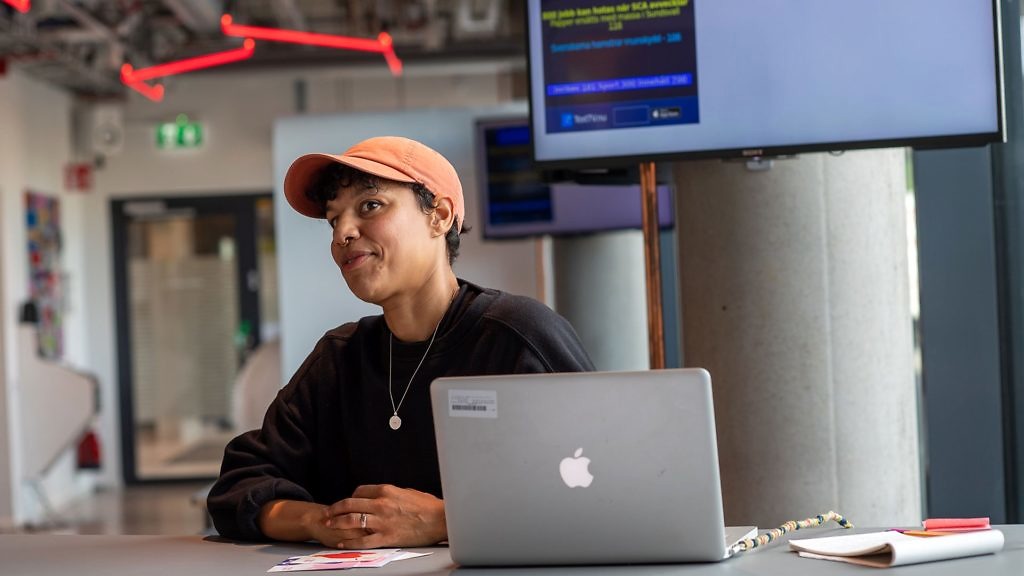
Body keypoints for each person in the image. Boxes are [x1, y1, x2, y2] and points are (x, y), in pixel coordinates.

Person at [208, 136, 594, 550]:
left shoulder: (518, 337)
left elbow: (603, 486)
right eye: (333, 219)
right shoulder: (339, 358)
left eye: (370, 206)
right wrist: (319, 521)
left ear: (440, 216)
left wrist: (447, 521)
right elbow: (240, 484)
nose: (343, 233)